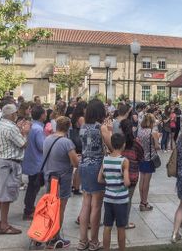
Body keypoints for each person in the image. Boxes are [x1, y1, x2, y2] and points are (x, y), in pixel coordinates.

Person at [0, 104, 30, 235]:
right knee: (6, 195)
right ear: (12, 115)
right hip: (9, 164)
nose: (16, 115)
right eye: (15, 113)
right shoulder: (11, 128)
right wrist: (25, 133)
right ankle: (4, 225)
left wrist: (19, 130)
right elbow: (23, 144)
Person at [77, 99, 113, 251]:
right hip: (97, 167)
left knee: (86, 203)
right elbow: (112, 146)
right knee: (96, 205)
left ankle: (82, 241)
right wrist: (110, 130)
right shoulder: (101, 127)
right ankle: (94, 241)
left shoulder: (83, 126)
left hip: (83, 165)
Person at [42, 116, 80, 248]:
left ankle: (46, 233)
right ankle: (55, 237)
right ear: (68, 127)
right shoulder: (67, 142)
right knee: (60, 207)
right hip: (62, 178)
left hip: (49, 176)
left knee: (50, 206)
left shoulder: (47, 139)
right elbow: (75, 163)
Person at [98, 133, 130, 251]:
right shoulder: (124, 161)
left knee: (107, 226)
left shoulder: (105, 159)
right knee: (121, 227)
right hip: (121, 199)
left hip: (108, 198)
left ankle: (106, 248)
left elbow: (99, 179)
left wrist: (110, 181)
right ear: (123, 145)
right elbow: (126, 182)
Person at [22, 105, 46, 220]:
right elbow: (42, 146)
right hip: (37, 162)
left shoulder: (32, 126)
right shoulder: (38, 129)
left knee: (33, 185)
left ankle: (29, 206)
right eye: (44, 113)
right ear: (42, 115)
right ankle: (29, 210)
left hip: (31, 160)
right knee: (34, 186)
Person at [120, 119, 144, 230]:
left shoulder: (117, 141)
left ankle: (118, 219)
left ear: (121, 129)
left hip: (119, 174)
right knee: (128, 199)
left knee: (118, 197)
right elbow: (141, 157)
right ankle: (124, 222)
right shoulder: (136, 143)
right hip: (132, 174)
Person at [137, 113, 160, 211]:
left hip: (141, 158)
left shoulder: (140, 131)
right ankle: (144, 202)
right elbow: (157, 147)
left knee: (141, 180)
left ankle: (142, 201)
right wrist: (158, 138)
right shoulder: (152, 132)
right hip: (149, 159)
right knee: (147, 182)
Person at [70, 101, 87, 195]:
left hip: (75, 140)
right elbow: (85, 130)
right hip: (80, 142)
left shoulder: (75, 117)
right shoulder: (81, 118)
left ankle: (74, 185)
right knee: (80, 166)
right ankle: (76, 187)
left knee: (78, 166)